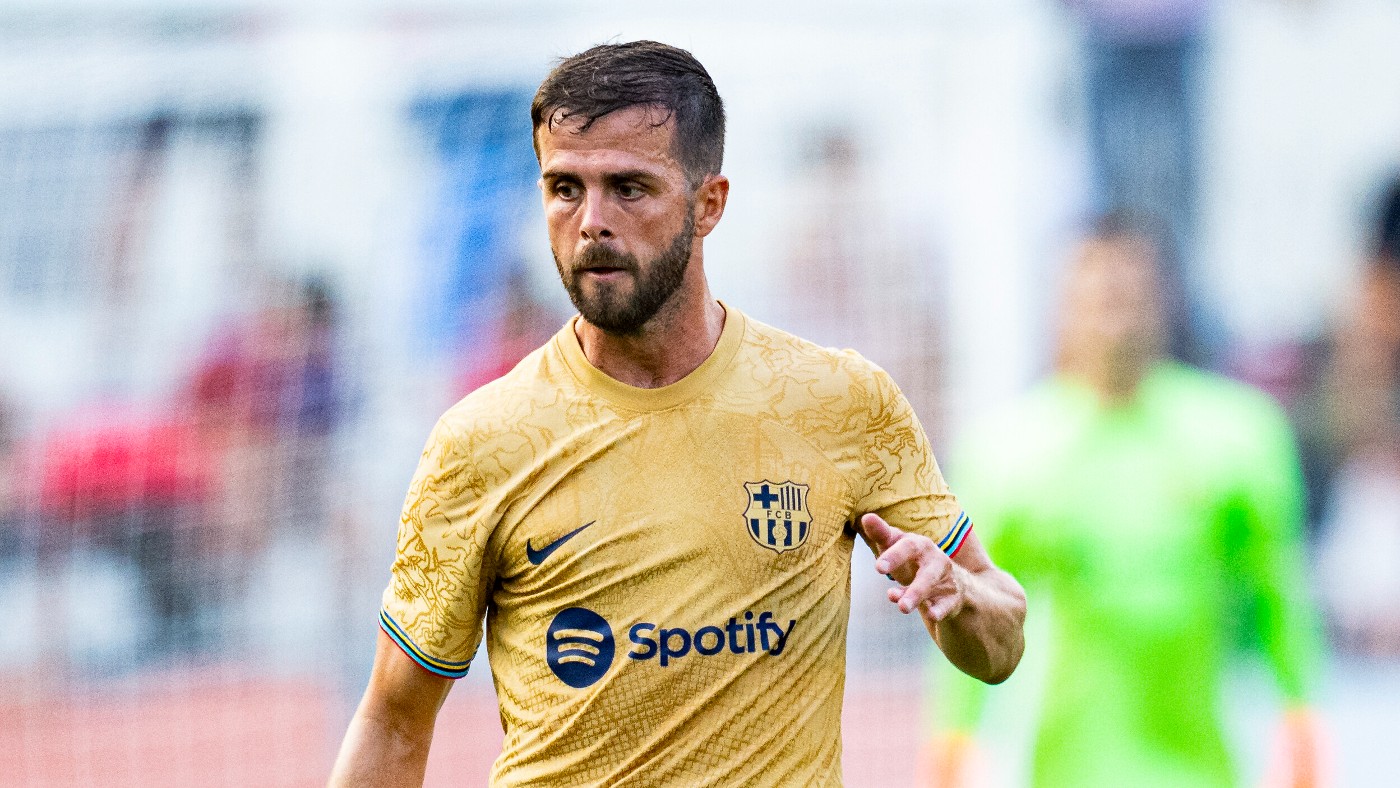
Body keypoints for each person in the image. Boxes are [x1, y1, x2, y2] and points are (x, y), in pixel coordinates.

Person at [330, 41, 1026, 787]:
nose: (592, 221)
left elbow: (1003, 641)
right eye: (565, 189)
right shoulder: (481, 441)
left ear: (708, 204)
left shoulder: (841, 401)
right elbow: (393, 719)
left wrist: (959, 601)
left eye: (628, 188)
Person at [931, 221, 1322, 787]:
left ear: (1164, 300)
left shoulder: (1240, 438)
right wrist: (948, 753)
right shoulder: (1006, 454)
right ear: (1062, 308)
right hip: (1062, 772)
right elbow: (964, 616)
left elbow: (1280, 603)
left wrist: (1305, 733)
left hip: (1202, 772)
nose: (1112, 315)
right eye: (1095, 296)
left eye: (1128, 294)